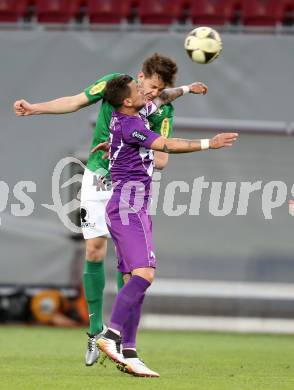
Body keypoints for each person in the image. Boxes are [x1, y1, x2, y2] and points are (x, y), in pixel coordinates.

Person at [13, 53, 208, 366]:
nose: (154, 93)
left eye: (160, 90)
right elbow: (76, 101)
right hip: (97, 177)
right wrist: (35, 108)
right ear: (140, 77)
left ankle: (123, 343)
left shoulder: (162, 110)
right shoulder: (116, 86)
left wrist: (141, 137)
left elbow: (162, 159)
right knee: (94, 250)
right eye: (151, 86)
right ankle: (95, 331)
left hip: (130, 185)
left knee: (130, 264)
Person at [97, 75, 238, 377]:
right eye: (138, 89)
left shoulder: (130, 116)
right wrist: (208, 144)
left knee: (132, 281)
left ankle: (130, 351)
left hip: (129, 206)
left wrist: (187, 89)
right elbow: (167, 145)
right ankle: (110, 337)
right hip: (128, 206)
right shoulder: (132, 123)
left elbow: (161, 99)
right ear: (126, 100)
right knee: (145, 275)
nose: (144, 91)